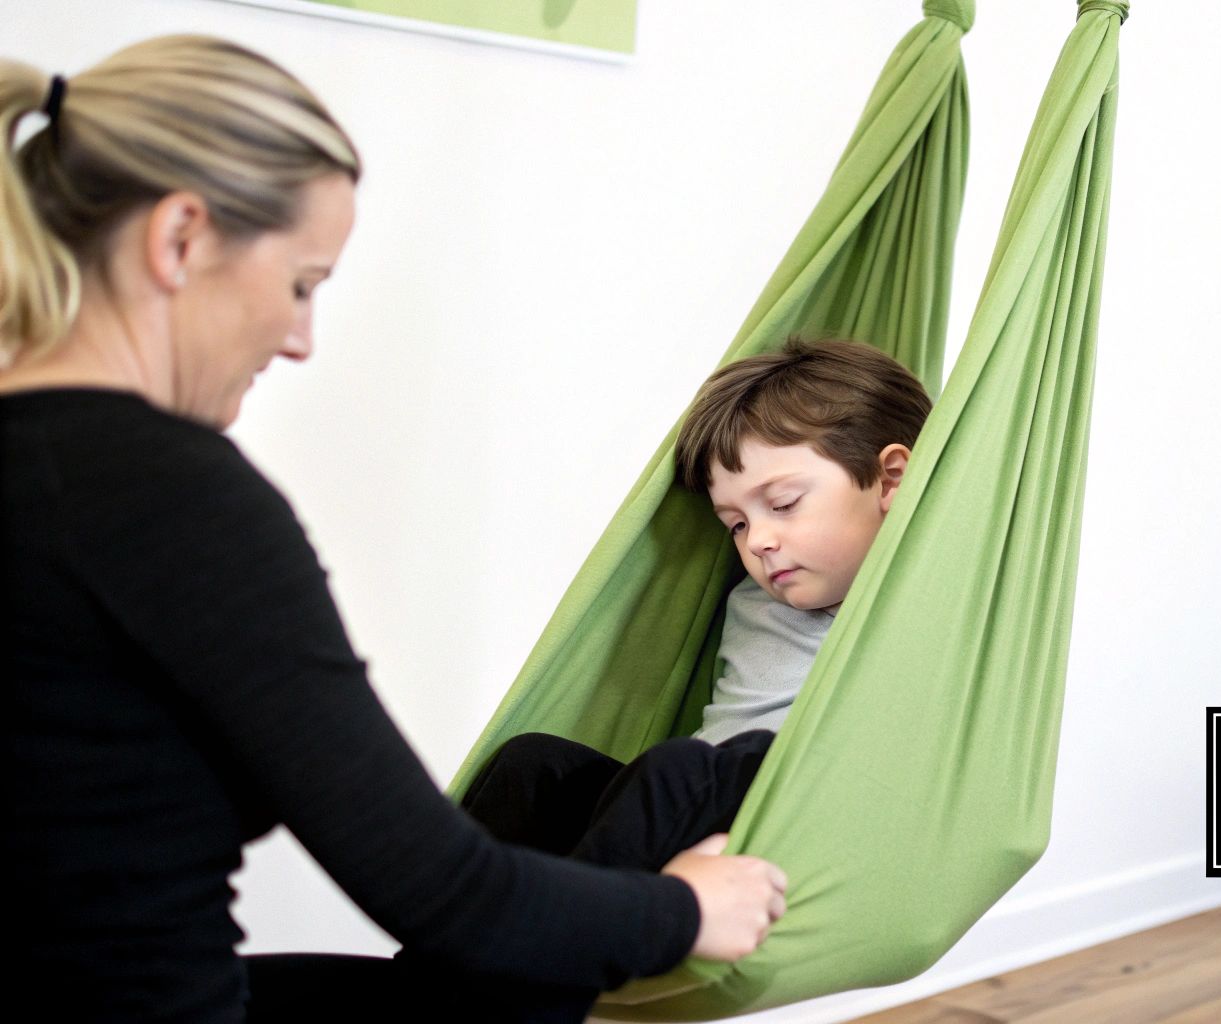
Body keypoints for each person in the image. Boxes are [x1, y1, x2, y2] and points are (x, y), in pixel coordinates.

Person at [0, 36, 785, 1024]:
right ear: (182, 238)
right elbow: (450, 893)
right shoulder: (168, 497)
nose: (300, 340)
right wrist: (682, 908)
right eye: (300, 284)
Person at [460, 338, 930, 872]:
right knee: (533, 764)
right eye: (737, 523)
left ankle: (587, 929)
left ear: (891, 478)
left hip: (789, 815)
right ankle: (458, 945)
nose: (758, 541)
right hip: (686, 811)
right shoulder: (750, 598)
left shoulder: (927, 591)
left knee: (681, 767)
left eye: (783, 504)